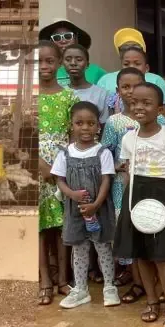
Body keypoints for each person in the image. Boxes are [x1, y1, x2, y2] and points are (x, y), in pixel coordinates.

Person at [116, 82, 165, 327]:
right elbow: (128, 174)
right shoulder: (128, 138)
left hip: (161, 195)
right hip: (134, 197)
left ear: (160, 109)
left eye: (146, 103)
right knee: (141, 253)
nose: (139, 107)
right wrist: (125, 208)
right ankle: (152, 300)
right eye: (134, 102)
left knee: (162, 255)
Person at [101, 68, 165, 304]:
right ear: (118, 91)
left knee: (154, 232)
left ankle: (160, 284)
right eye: (126, 87)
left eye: (136, 86)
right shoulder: (114, 122)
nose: (131, 92)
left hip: (154, 186)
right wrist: (118, 167)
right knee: (133, 234)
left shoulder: (160, 120)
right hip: (124, 187)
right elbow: (105, 152)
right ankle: (138, 282)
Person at [52, 101, 118, 309]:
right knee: (79, 250)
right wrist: (72, 194)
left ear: (98, 126)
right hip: (75, 211)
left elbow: (106, 180)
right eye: (79, 123)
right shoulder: (65, 153)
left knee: (103, 248)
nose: (85, 128)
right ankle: (81, 290)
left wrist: (96, 204)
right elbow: (59, 180)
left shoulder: (102, 152)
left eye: (91, 123)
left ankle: (109, 287)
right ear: (71, 125)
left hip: (100, 209)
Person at [38, 41, 80, 305]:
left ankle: (63, 279)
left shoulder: (70, 97)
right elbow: (20, 137)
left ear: (59, 62)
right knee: (41, 227)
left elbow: (74, 136)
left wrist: (61, 167)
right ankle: (44, 279)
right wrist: (40, 164)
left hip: (62, 167)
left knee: (63, 226)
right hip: (36, 169)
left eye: (50, 61)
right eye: (39, 61)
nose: (44, 66)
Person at [97, 28, 165, 107]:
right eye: (126, 64)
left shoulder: (157, 81)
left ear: (146, 67)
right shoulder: (105, 80)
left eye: (137, 63)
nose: (131, 67)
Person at [39, 19, 106, 86]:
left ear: (76, 39)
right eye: (57, 38)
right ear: (51, 42)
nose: (63, 41)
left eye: (68, 36)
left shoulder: (96, 72)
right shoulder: (44, 71)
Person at [62, 45, 110, 124]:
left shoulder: (101, 93)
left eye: (79, 59)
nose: (73, 63)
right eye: (68, 60)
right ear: (63, 63)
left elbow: (104, 124)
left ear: (87, 64)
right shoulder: (59, 92)